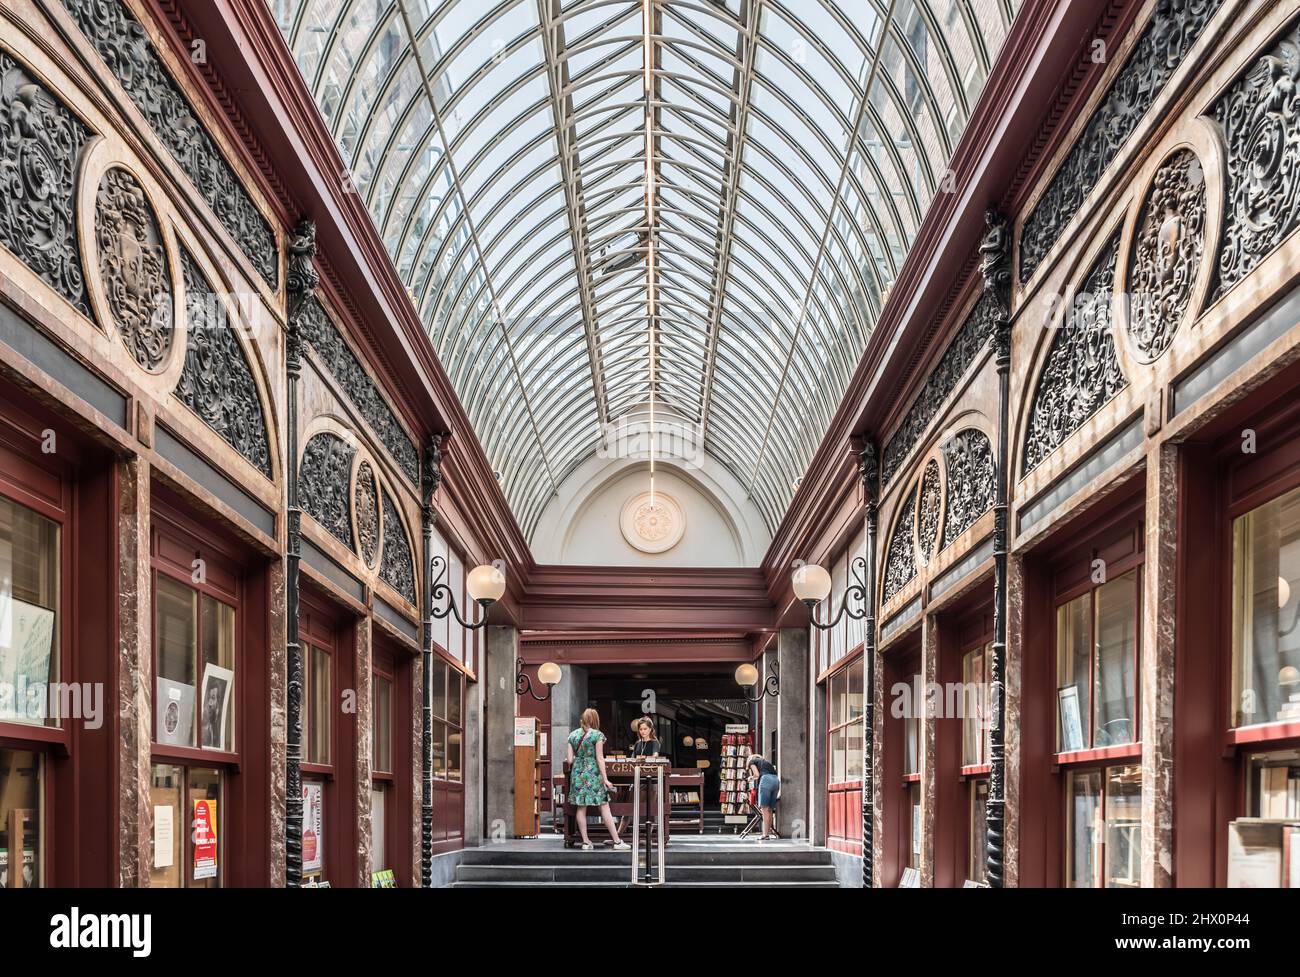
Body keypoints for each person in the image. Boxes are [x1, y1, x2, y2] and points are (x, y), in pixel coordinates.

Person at [566, 708, 629, 851]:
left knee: (581, 808)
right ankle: (617, 841)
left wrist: (580, 759)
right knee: (604, 807)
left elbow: (569, 760)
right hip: (593, 774)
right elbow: (600, 758)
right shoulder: (597, 735)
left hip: (577, 774)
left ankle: (586, 842)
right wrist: (605, 779)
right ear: (595, 720)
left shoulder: (572, 735)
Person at [748, 753, 780, 840]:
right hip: (776, 780)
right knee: (769, 809)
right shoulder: (766, 762)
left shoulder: (752, 761)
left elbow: (757, 775)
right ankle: (767, 833)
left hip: (766, 780)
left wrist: (750, 778)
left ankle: (765, 835)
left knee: (764, 809)